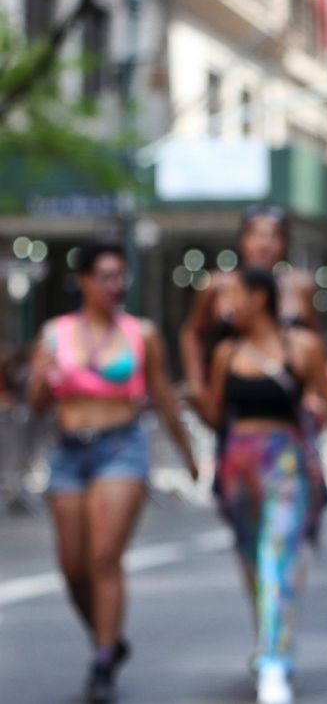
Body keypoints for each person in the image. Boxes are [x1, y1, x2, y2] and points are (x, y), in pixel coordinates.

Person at [26, 243, 198, 703]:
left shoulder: (141, 333)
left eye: (121, 276)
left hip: (121, 448)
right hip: (68, 452)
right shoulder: (54, 334)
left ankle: (103, 658)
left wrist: (188, 452)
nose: (116, 285)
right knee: (72, 567)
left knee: (104, 557)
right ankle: (108, 639)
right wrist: (40, 380)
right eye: (105, 276)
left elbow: (161, 394)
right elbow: (39, 405)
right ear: (83, 281)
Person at [196, 266, 327, 704]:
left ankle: (274, 661)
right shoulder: (225, 354)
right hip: (239, 467)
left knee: (279, 559)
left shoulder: (302, 347)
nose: (227, 304)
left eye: (234, 294)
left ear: (259, 298)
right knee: (255, 561)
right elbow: (217, 417)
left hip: (285, 464)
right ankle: (272, 646)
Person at [179, 205, 318, 399]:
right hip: (231, 395)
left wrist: (312, 393)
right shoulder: (218, 286)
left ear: (285, 244)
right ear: (242, 241)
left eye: (273, 236)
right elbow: (192, 333)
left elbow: (314, 344)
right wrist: (197, 383)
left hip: (286, 398)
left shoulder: (299, 287)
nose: (264, 244)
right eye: (256, 235)